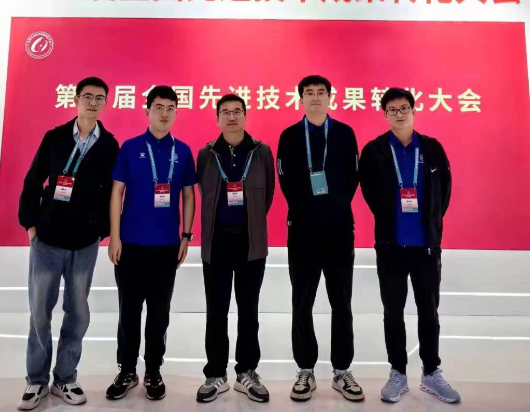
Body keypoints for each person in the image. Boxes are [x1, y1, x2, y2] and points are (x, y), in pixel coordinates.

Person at [17, 77, 119, 410]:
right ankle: (36, 381)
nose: (93, 102)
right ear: (75, 100)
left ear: (106, 103)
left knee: (78, 313)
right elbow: (33, 180)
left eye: (100, 98)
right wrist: (31, 226)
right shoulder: (56, 137)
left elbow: (112, 192)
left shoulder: (109, 145)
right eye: (87, 96)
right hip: (47, 239)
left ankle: (65, 378)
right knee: (40, 311)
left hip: (84, 242)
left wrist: (101, 231)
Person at [358, 87, 460, 405]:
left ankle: (431, 373)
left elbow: (444, 191)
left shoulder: (431, 148)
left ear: (414, 111)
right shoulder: (374, 150)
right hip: (390, 246)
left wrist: (431, 223)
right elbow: (370, 193)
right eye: (392, 110)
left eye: (404, 108)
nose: (399, 114)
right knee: (393, 312)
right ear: (385, 114)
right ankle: (398, 372)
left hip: (426, 246)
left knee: (429, 311)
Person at [105, 85, 196, 402]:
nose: (165, 113)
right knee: (129, 312)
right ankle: (127, 370)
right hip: (130, 245)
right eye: (159, 107)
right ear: (147, 111)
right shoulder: (130, 147)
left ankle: (153, 370)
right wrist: (115, 236)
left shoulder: (182, 151)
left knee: (159, 314)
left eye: (171, 108)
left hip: (166, 246)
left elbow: (188, 195)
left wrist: (186, 236)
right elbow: (116, 192)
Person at [276, 75, 364, 403]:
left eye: (321, 92)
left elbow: (353, 178)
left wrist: (333, 207)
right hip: (302, 231)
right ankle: (305, 370)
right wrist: (308, 209)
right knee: (302, 302)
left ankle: (342, 370)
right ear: (300, 99)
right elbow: (285, 181)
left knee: (341, 302)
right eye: (309, 93)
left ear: (330, 98)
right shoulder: (289, 136)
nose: (315, 97)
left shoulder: (344, 134)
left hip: (338, 231)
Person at [195, 94, 276, 404]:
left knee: (248, 310)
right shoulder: (206, 154)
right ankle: (216, 374)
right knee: (216, 311)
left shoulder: (262, 152)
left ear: (245, 115)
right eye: (225, 112)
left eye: (237, 111)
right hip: (217, 243)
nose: (231, 117)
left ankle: (246, 372)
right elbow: (204, 193)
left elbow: (267, 195)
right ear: (217, 118)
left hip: (250, 243)